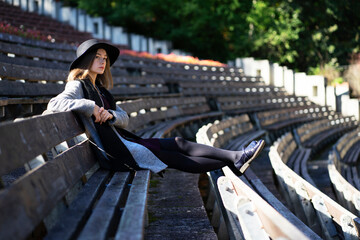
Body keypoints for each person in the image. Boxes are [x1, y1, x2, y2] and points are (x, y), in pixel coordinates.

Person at [46, 39, 265, 176]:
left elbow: (124, 118)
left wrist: (110, 115)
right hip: (116, 152)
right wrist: (90, 107)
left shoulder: (102, 90)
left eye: (104, 58)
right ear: (86, 60)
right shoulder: (78, 85)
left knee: (178, 142)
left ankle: (235, 158)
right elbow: (54, 104)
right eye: (97, 57)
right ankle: (234, 161)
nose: (103, 62)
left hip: (124, 141)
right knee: (173, 158)